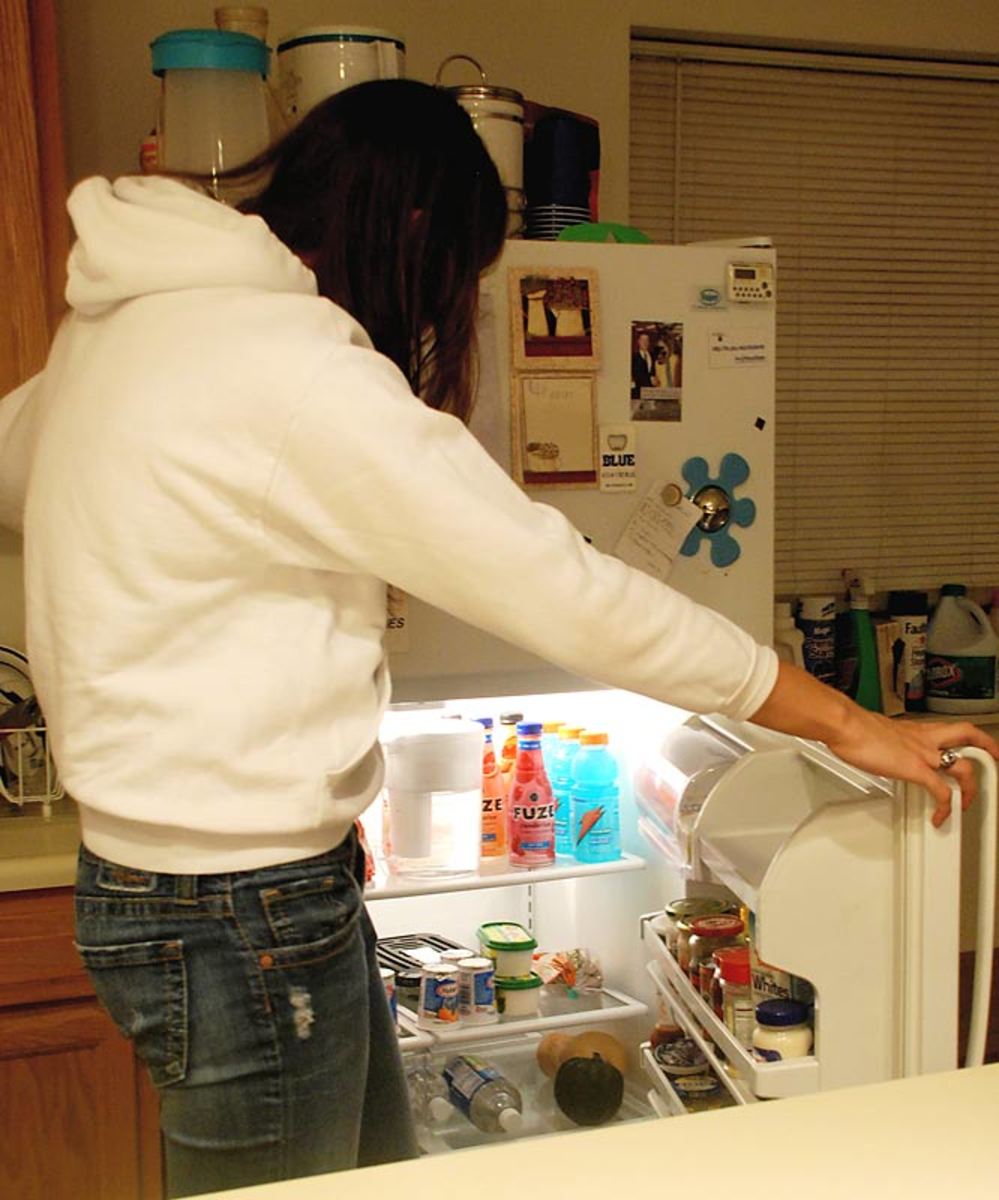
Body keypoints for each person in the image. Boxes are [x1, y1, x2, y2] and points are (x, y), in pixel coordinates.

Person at [0, 79, 995, 1195]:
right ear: (412, 229)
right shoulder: (293, 370)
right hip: (244, 910)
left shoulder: (125, 332)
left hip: (186, 889)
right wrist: (843, 719)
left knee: (384, 1172)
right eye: (452, 283)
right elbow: (567, 591)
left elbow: (12, 467)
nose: (437, 318)